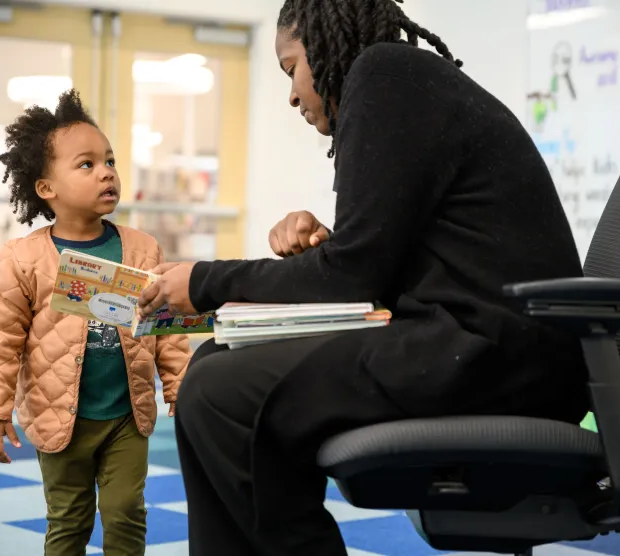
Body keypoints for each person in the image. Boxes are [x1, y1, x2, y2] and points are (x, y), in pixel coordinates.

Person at [137, 0, 589, 554]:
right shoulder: (397, 80)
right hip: (476, 340)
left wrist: (204, 281)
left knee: (219, 390)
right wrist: (324, 241)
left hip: (495, 354)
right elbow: (369, 263)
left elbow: (351, 275)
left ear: (325, 45)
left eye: (290, 68)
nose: (292, 94)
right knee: (214, 367)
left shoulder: (383, 73)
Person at [0, 89, 191, 556]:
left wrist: (181, 385)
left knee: (125, 511)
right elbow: (0, 339)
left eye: (109, 160)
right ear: (46, 189)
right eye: (86, 164)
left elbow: (165, 324)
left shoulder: (142, 249)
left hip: (126, 415)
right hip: (57, 417)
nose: (107, 171)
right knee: (69, 520)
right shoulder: (24, 258)